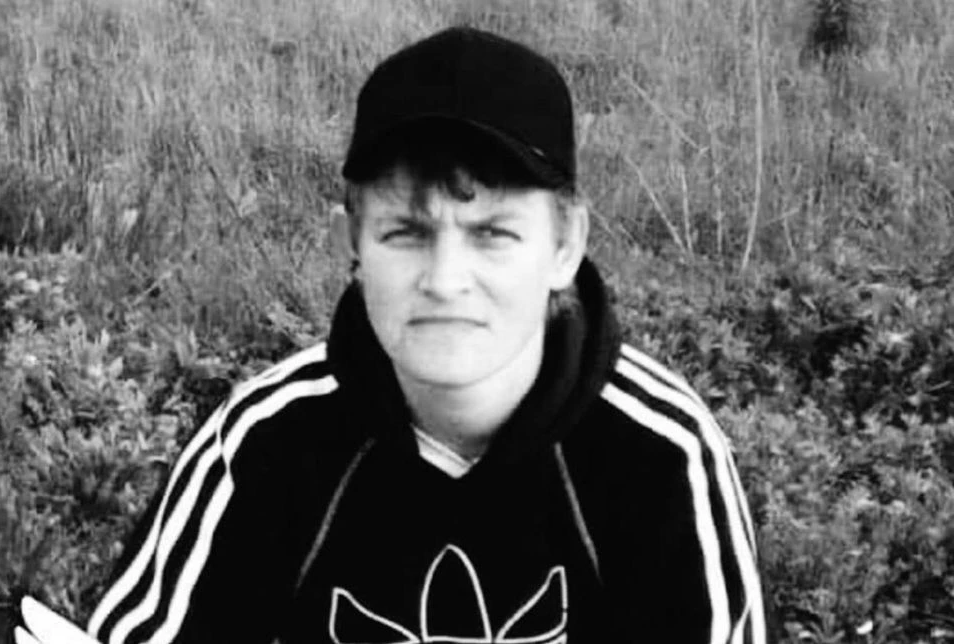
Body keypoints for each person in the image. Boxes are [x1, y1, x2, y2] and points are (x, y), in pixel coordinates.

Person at [81, 26, 765, 643]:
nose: (445, 279)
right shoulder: (265, 441)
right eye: (406, 232)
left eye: (492, 234)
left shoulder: (661, 457)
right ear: (352, 245)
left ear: (565, 246)